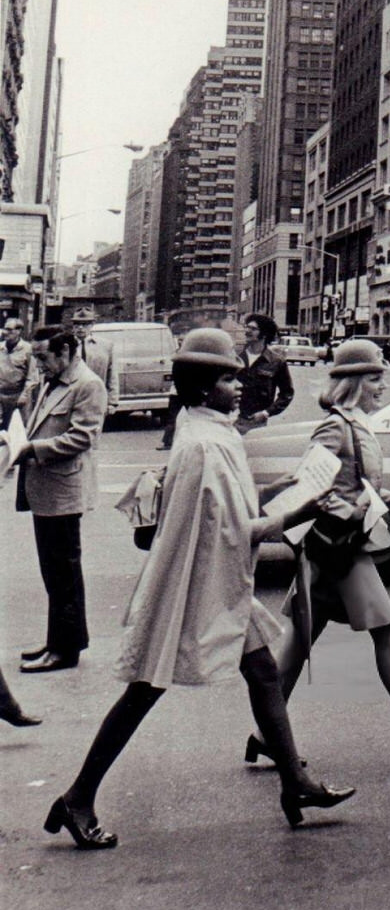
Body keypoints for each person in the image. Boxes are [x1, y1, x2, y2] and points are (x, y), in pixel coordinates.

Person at [42, 329, 353, 850]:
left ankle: (295, 784)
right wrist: (301, 509)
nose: (238, 385)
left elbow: (223, 505)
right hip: (197, 585)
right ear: (204, 388)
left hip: (208, 579)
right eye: (229, 377)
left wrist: (268, 492)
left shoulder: (203, 430)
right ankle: (77, 797)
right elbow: (236, 531)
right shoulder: (207, 443)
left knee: (262, 671)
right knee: (145, 688)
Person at [262, 340, 390, 766]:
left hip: (340, 548)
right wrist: (357, 508)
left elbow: (362, 487)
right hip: (340, 549)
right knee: (387, 633)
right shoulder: (335, 427)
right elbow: (313, 487)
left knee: (301, 639)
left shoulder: (359, 424)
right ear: (354, 382)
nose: (384, 386)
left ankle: (266, 736)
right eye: (376, 378)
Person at [12, 328, 107, 674]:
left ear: (65, 351)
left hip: (64, 494)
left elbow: (82, 436)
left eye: (43, 357)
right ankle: (57, 641)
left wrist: (32, 450)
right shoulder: (55, 382)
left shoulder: (87, 384)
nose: (39, 364)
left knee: (64, 575)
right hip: (47, 492)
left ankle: (66, 650)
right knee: (54, 575)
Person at [237, 314, 295, 434]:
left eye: (253, 329)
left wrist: (266, 413)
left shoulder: (276, 361)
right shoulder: (235, 357)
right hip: (232, 419)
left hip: (256, 424)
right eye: (247, 327)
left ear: (264, 333)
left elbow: (287, 393)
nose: (247, 331)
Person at [0, 315, 36, 427]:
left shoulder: (28, 349)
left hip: (18, 397)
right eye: (5, 329)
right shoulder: (0, 347)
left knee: (17, 428)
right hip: (1, 396)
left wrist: (24, 395)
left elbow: (32, 376)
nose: (6, 332)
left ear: (19, 331)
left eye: (10, 329)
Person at [69, 307, 112, 396]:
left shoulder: (105, 346)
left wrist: (112, 402)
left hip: (96, 395)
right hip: (72, 395)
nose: (80, 327)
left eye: (85, 324)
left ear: (92, 325)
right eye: (77, 324)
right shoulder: (67, 346)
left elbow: (111, 376)